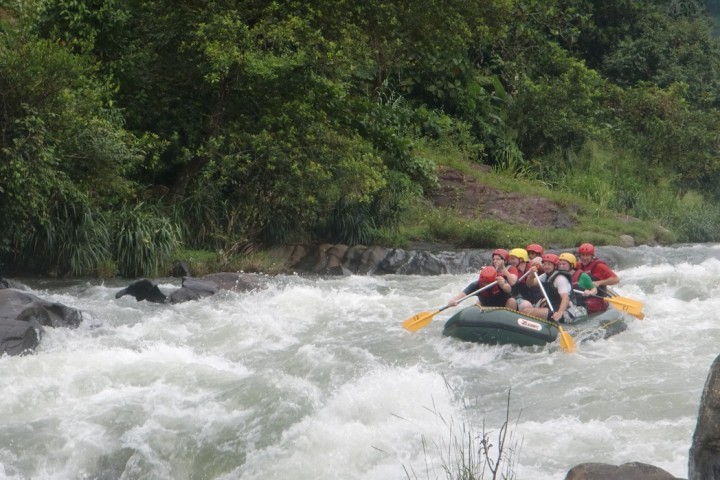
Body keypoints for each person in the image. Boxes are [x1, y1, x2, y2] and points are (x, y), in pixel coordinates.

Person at [520, 253, 578, 323]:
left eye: (549, 264)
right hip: (552, 306)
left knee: (529, 313)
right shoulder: (545, 276)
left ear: (555, 266)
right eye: (545, 264)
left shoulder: (560, 278)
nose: (546, 266)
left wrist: (559, 313)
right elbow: (530, 284)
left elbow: (565, 298)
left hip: (565, 311)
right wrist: (531, 275)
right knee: (525, 311)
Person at [576, 243, 619, 313]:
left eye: (587, 255)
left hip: (599, 297)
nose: (584, 258)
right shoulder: (578, 265)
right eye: (582, 255)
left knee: (589, 305)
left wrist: (599, 282)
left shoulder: (599, 266)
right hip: (585, 295)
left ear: (592, 256)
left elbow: (616, 279)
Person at [449, 266, 513, 308]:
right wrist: (454, 300)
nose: (485, 285)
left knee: (512, 301)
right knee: (476, 305)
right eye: (483, 282)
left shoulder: (500, 281)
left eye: (488, 283)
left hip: (504, 307)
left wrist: (503, 285)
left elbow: (509, 290)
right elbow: (463, 294)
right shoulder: (476, 285)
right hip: (486, 307)